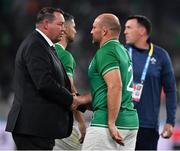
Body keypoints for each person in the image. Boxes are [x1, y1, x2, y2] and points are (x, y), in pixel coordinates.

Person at [5, 7, 79, 150]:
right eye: (60, 24)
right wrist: (72, 100)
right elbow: (44, 83)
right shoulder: (35, 45)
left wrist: (81, 102)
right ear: (46, 24)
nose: (63, 29)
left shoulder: (44, 46)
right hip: (33, 129)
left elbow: (58, 83)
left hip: (38, 129)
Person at [77, 13, 139, 150]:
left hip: (106, 125)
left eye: (94, 27)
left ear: (104, 31)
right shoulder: (123, 51)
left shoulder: (106, 51)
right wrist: (82, 102)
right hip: (129, 123)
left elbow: (115, 86)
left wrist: (111, 123)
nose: (91, 31)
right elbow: (107, 90)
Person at [124, 15, 177, 150]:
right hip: (122, 123)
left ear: (142, 31)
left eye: (129, 27)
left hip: (147, 126)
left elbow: (170, 90)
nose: (125, 31)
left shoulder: (160, 56)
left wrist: (170, 121)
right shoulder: (121, 52)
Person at [53, 12, 86, 150]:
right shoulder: (65, 56)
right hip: (59, 122)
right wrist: (81, 121)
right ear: (65, 28)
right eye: (73, 26)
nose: (75, 30)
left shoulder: (44, 51)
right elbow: (70, 90)